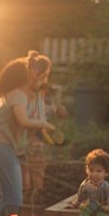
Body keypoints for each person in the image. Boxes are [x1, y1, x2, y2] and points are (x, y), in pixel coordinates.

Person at [0, 51, 56, 216]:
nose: (45, 81)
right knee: (14, 195)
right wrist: (44, 124)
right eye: (44, 76)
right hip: (0, 149)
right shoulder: (18, 95)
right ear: (33, 75)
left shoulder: (17, 95)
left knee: (10, 194)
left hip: (0, 149)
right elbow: (23, 121)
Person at [20, 74, 69, 205]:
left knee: (35, 166)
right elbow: (33, 123)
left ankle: (34, 192)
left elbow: (60, 113)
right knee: (31, 166)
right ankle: (30, 192)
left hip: (35, 139)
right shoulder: (32, 101)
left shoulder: (40, 102)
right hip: (31, 140)